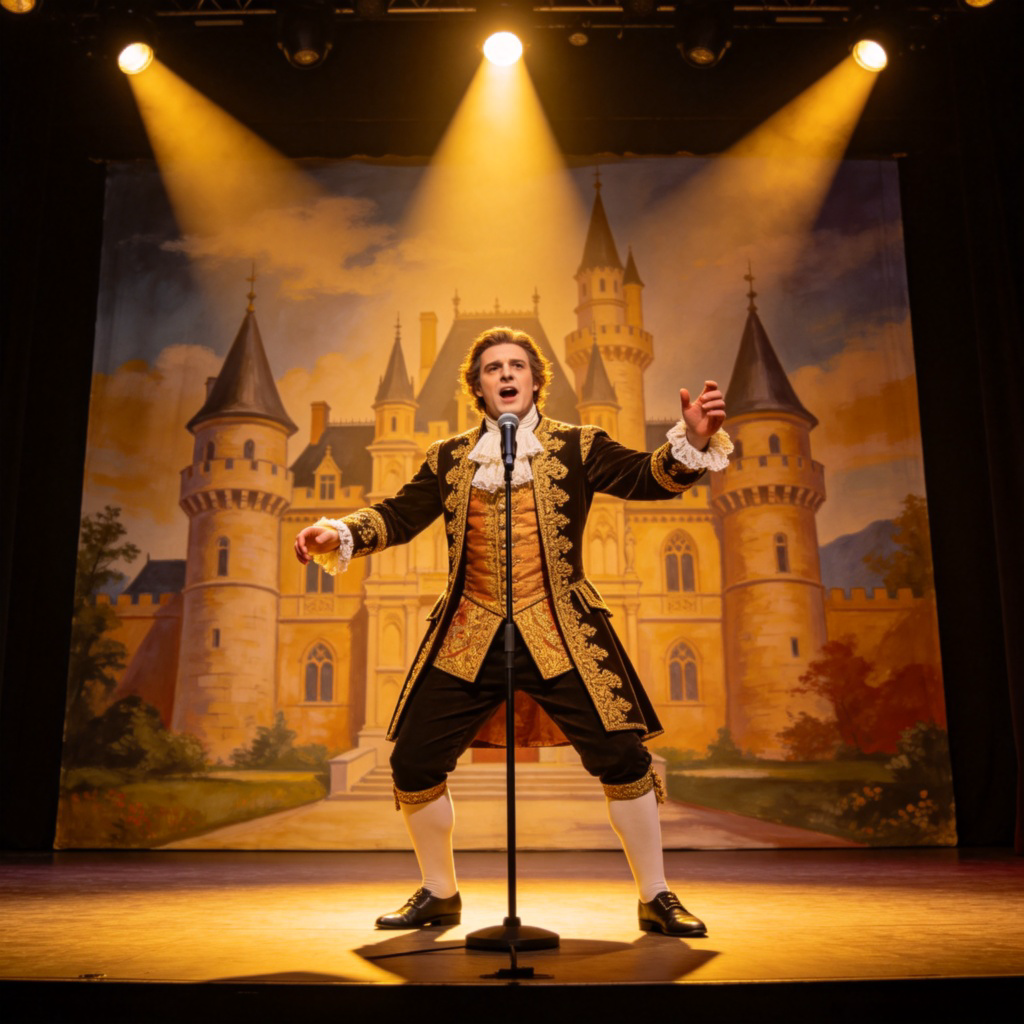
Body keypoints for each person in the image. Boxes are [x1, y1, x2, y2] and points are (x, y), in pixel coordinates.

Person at [294, 326, 730, 937]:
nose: (505, 374)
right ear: (477, 386)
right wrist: (339, 532)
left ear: (534, 380)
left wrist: (694, 440)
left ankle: (656, 895)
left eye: (517, 365)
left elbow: (644, 477)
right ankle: (439, 892)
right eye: (493, 367)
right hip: (469, 630)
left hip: (560, 631)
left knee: (623, 755)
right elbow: (400, 513)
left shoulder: (578, 445)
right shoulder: (449, 458)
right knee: (415, 760)